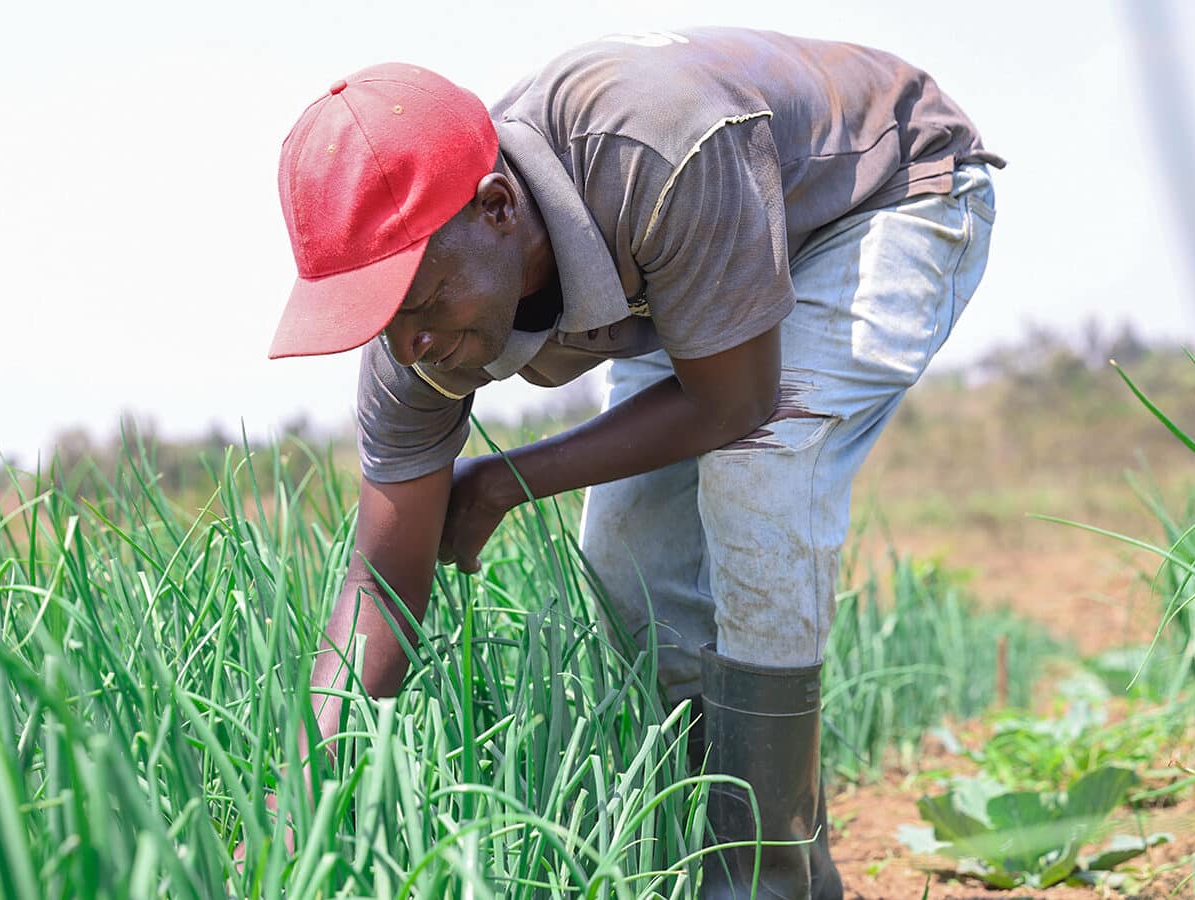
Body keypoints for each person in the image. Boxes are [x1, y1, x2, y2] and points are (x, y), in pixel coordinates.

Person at [264, 26, 1001, 899]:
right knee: (625, 556)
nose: (410, 340)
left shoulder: (652, 148)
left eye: (421, 302)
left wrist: (503, 483)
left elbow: (734, 403)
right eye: (381, 318)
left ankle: (768, 882)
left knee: (762, 471)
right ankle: (716, 834)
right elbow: (381, 582)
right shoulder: (412, 331)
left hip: (876, 200)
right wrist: (293, 822)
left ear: (499, 208)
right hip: (703, 271)